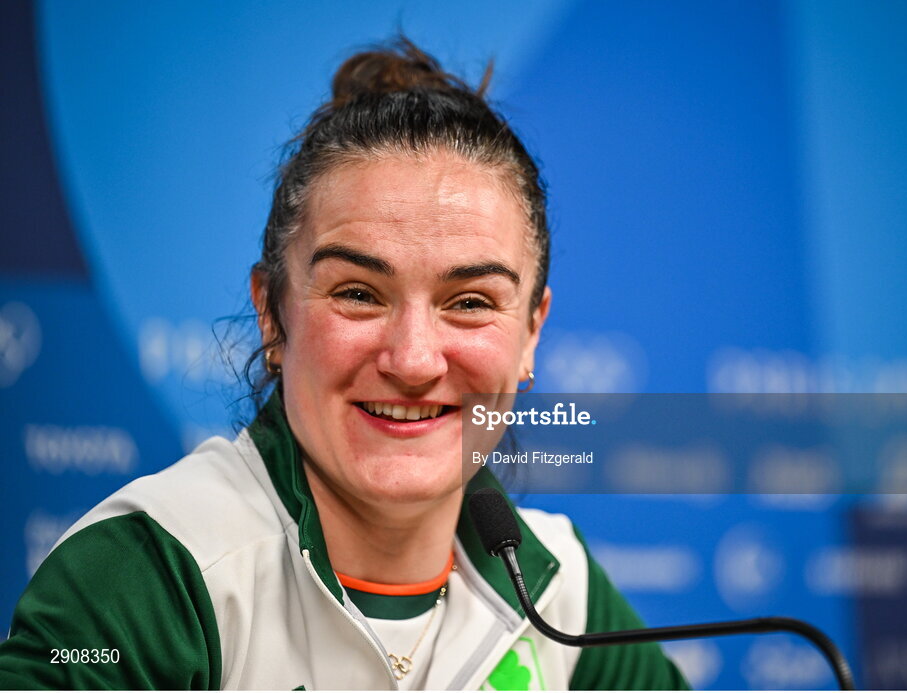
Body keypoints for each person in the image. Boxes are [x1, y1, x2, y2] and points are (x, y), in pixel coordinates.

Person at [0, 38, 688, 690]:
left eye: (470, 300)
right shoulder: (150, 570)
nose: (415, 359)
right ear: (274, 315)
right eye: (359, 293)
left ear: (531, 331)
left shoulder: (562, 589)